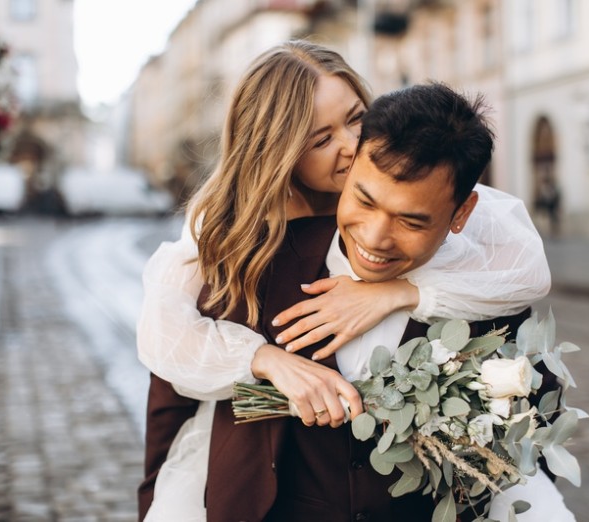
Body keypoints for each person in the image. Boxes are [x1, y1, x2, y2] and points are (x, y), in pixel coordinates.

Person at [137, 42, 555, 520]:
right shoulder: (231, 224)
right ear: (279, 155)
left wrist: (399, 293)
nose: (352, 145)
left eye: (355, 118)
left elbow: (526, 268)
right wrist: (265, 358)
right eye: (320, 140)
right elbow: (163, 336)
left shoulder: (410, 172)